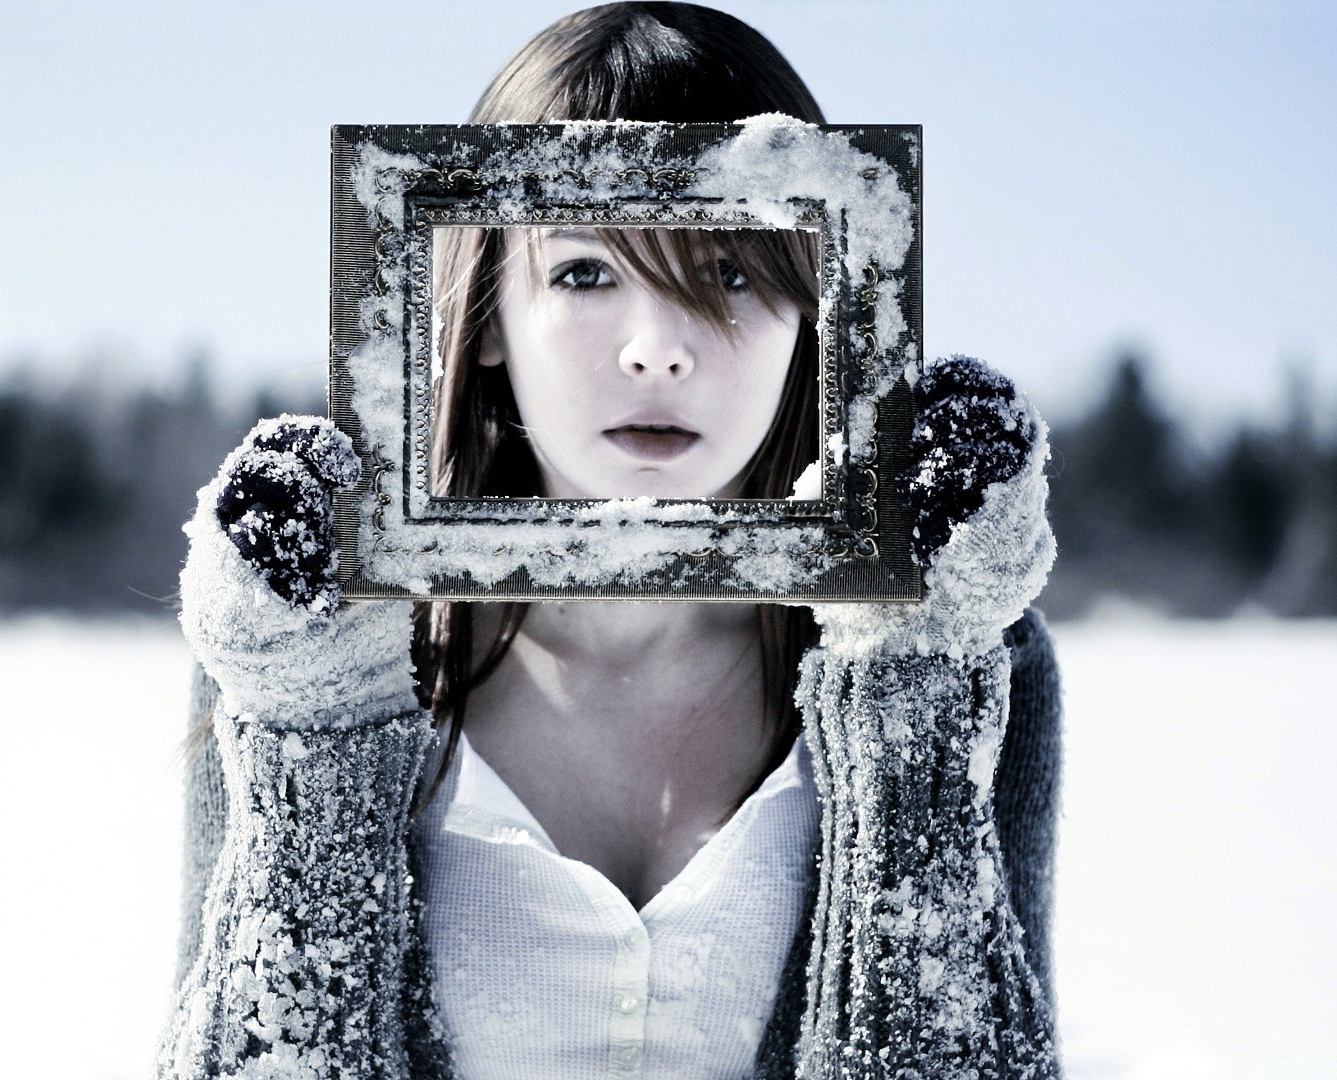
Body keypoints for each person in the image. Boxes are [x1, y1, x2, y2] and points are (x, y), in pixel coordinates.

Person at [159, 5, 1063, 1079]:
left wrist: (915, 682)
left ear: (814, 309)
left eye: (730, 271)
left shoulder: (966, 646)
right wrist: (312, 722)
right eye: (587, 272)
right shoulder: (314, 651)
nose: (657, 352)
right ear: (489, 312)